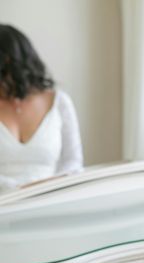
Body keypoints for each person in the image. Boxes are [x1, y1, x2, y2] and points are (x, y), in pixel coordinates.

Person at [0, 24, 83, 192]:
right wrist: (20, 189)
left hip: (50, 203)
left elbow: (73, 162)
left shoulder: (59, 102)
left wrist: (47, 187)